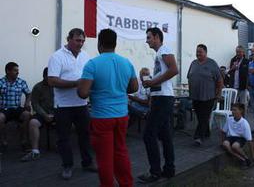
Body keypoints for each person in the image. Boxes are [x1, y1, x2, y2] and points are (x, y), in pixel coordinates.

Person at [78, 28, 138, 187]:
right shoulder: (126, 62)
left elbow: (82, 93)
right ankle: (126, 184)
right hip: (122, 115)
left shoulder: (92, 64)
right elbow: (134, 87)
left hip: (102, 117)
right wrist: (117, 89)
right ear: (115, 43)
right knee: (121, 151)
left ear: (99, 43)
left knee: (104, 158)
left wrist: (89, 87)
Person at [48, 28, 95, 180]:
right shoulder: (57, 56)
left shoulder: (86, 56)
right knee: (64, 138)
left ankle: (87, 163)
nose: (80, 44)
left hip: (81, 104)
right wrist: (76, 83)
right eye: (77, 40)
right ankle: (67, 166)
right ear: (69, 39)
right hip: (63, 106)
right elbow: (52, 80)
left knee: (85, 135)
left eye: (82, 41)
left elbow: (90, 77)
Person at [138, 27, 179, 183]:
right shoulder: (160, 53)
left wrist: (153, 81)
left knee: (149, 135)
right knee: (165, 136)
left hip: (163, 99)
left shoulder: (164, 49)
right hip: (161, 98)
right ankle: (169, 170)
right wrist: (151, 83)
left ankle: (155, 172)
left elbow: (174, 69)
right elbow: (165, 73)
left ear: (156, 37)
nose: (147, 40)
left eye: (148, 37)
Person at [187, 44, 223, 146]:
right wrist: (190, 92)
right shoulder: (193, 63)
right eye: (197, 51)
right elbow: (189, 77)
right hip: (195, 96)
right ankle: (206, 132)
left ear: (205, 53)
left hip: (208, 96)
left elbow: (219, 80)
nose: (198, 53)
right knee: (200, 116)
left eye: (200, 52)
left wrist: (219, 93)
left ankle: (198, 137)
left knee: (204, 116)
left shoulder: (212, 63)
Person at [21, 67, 54, 162]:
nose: (52, 79)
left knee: (66, 119)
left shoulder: (58, 86)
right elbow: (35, 104)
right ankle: (35, 151)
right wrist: (44, 115)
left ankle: (61, 144)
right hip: (42, 113)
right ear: (44, 76)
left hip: (56, 112)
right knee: (33, 123)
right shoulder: (38, 87)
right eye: (49, 77)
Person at [0, 62, 31, 152]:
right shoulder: (1, 82)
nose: (17, 72)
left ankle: (24, 141)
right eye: (15, 70)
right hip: (4, 109)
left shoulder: (21, 82)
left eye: (18, 70)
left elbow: (28, 93)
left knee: (27, 115)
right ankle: (3, 142)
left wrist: (27, 103)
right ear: (8, 71)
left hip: (17, 108)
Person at [221, 103, 254, 169]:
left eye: (235, 110)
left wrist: (253, 155)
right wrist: (222, 141)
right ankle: (243, 159)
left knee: (235, 146)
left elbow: (249, 140)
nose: (233, 112)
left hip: (240, 138)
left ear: (241, 111)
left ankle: (247, 158)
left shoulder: (244, 123)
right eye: (232, 110)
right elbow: (223, 131)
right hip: (230, 137)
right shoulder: (229, 119)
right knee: (225, 144)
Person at [228, 45, 250, 110]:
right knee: (232, 103)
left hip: (242, 86)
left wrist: (240, 69)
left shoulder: (247, 61)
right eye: (237, 52)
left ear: (243, 52)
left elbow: (248, 73)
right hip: (233, 86)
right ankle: (233, 118)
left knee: (243, 104)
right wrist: (233, 68)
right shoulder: (233, 60)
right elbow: (229, 72)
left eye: (240, 52)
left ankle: (243, 119)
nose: (238, 53)